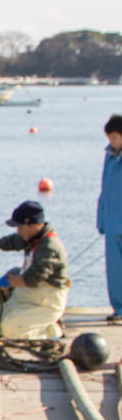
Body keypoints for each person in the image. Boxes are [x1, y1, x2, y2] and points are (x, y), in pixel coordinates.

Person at [0, 199, 70, 340]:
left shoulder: (50, 246)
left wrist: (6, 281)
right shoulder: (32, 237)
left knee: (9, 329)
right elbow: (13, 241)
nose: (18, 230)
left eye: (20, 227)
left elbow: (33, 278)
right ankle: (38, 324)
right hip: (24, 298)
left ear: (34, 225)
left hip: (45, 303)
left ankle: (52, 330)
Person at [96, 114, 122, 322]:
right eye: (109, 138)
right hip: (113, 223)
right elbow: (104, 190)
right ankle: (119, 309)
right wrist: (101, 218)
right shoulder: (109, 156)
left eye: (114, 137)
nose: (111, 142)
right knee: (114, 271)